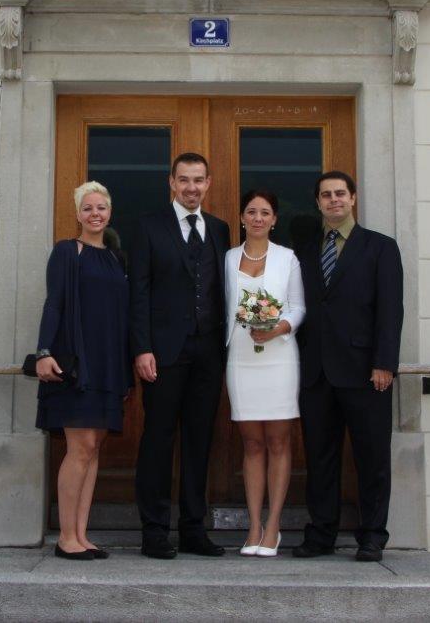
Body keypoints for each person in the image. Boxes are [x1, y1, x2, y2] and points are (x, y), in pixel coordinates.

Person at [292, 171, 403, 563]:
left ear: (353, 198)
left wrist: (384, 363)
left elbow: (390, 310)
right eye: (326, 195)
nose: (333, 200)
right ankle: (321, 534)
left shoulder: (380, 248)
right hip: (316, 372)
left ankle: (372, 535)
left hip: (365, 372)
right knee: (320, 457)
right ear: (318, 202)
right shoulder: (304, 250)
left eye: (340, 193)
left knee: (372, 458)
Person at [129, 152, 230, 559]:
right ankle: (154, 531)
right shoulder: (148, 226)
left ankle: (193, 529)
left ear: (208, 184)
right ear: (171, 182)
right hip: (163, 352)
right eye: (184, 180)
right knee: (158, 439)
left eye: (198, 180)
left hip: (209, 352)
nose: (191, 187)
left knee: (200, 440)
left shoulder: (220, 229)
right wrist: (142, 347)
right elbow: (138, 291)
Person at [35, 181, 131, 561]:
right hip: (76, 362)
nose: (95, 214)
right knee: (80, 447)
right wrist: (43, 352)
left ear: (110, 213)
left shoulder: (117, 258)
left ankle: (81, 534)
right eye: (88, 208)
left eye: (101, 208)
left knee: (93, 449)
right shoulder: (66, 251)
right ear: (77, 213)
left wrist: (124, 370)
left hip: (108, 363)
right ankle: (65, 538)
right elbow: (54, 304)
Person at [224, 189, 305, 558]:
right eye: (251, 212)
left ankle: (273, 526)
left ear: (274, 220)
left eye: (265, 212)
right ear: (242, 217)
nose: (258, 218)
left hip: (279, 357)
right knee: (252, 443)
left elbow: (298, 306)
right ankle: (253, 525)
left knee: (278, 442)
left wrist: (278, 328)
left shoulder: (287, 258)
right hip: (241, 357)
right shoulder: (228, 258)